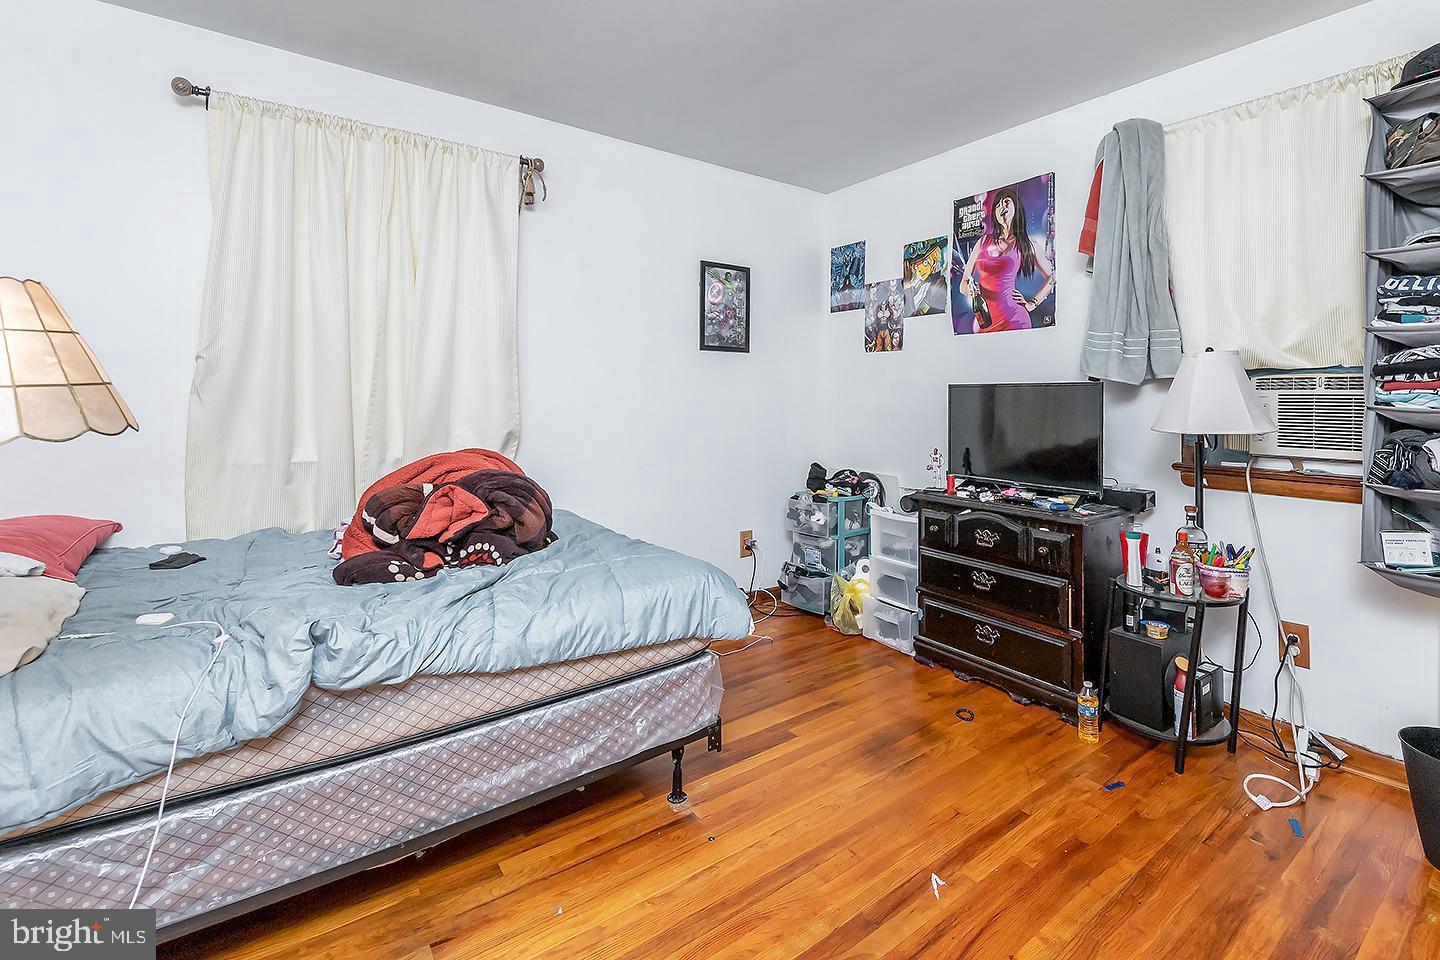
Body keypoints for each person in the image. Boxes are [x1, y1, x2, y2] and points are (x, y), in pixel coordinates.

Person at [957, 186, 1055, 333]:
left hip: (1015, 320)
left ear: (1016, 207)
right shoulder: (983, 242)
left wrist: (1032, 304)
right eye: (997, 205)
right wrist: (970, 291)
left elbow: (1052, 277)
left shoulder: (1026, 243)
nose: (1001, 206)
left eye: (1006, 201)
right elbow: (963, 285)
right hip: (984, 321)